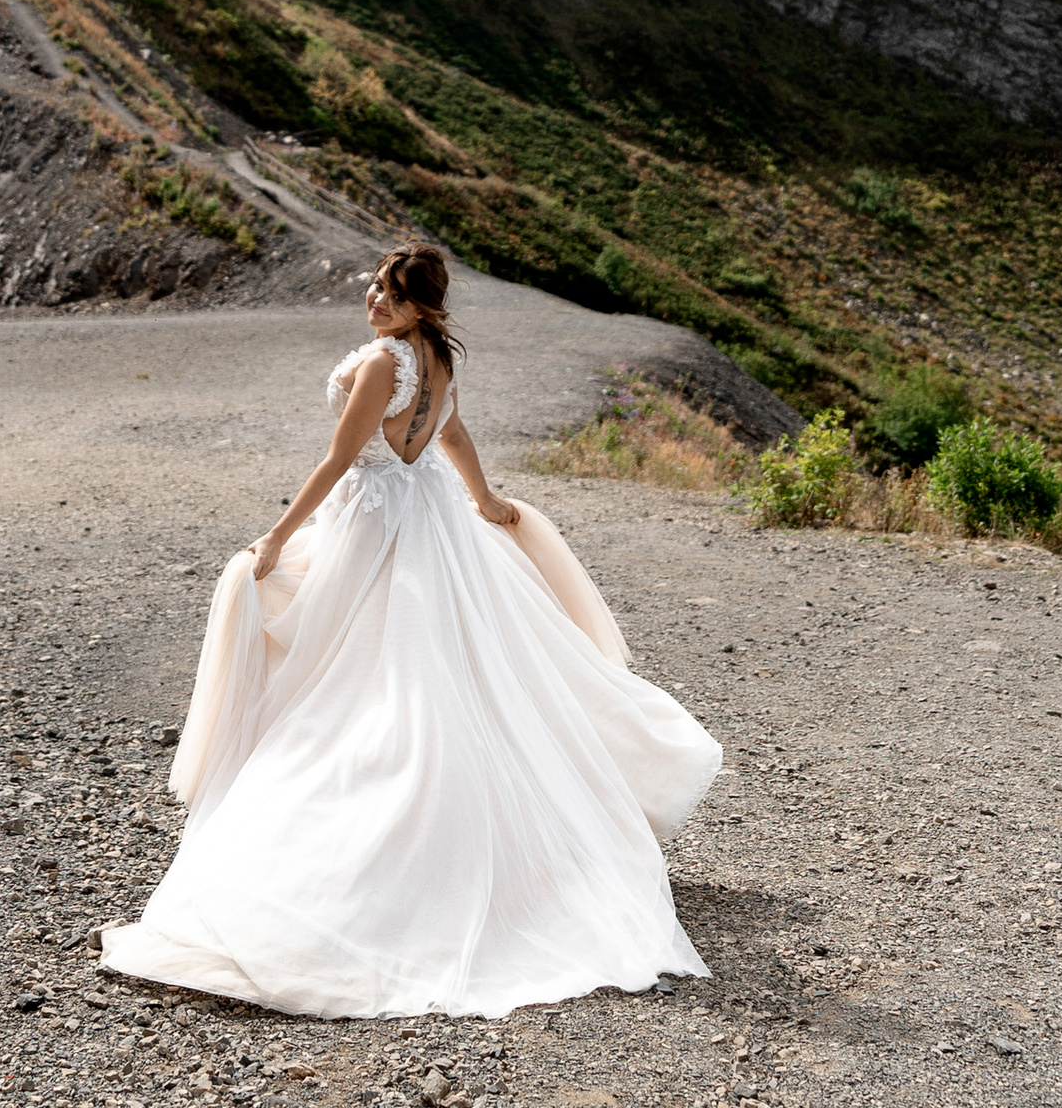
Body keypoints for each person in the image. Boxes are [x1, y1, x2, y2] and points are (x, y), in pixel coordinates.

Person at [100, 241, 721, 1019]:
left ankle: (383, 845)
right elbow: (451, 436)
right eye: (373, 288)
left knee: (365, 673)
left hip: (374, 521)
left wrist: (276, 539)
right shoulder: (437, 357)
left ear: (420, 305)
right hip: (428, 519)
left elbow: (337, 460)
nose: (374, 301)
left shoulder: (382, 362)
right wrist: (484, 501)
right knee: (445, 664)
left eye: (391, 295)